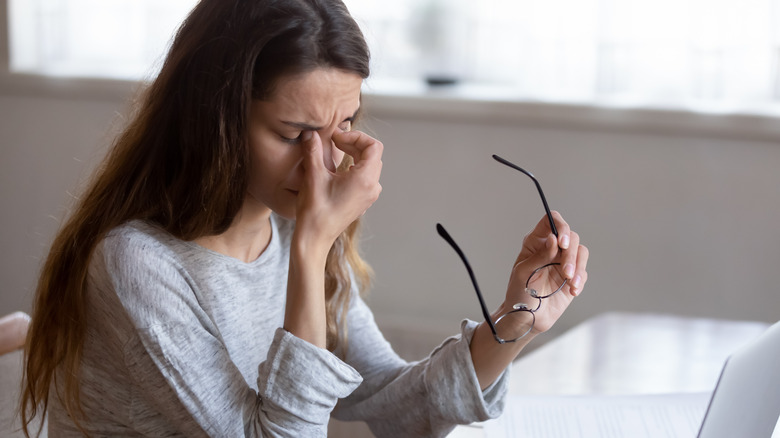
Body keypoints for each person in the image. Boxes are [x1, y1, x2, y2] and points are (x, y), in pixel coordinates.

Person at [21, 0, 589, 436]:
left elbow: (392, 401)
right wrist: (313, 247)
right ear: (214, 120)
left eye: (344, 124)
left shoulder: (290, 226)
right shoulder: (137, 264)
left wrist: (519, 315)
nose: (327, 162)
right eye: (294, 134)